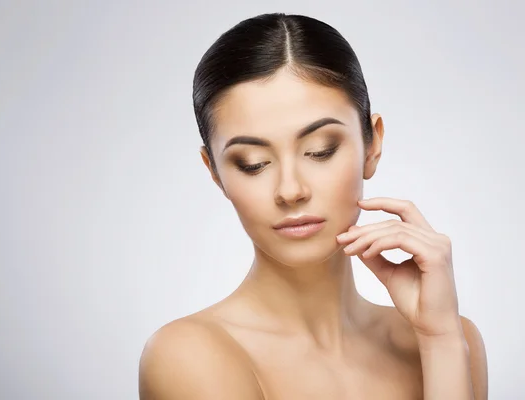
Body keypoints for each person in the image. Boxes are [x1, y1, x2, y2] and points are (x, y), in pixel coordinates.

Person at [138, 12, 488, 399]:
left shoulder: (454, 340)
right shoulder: (188, 356)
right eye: (252, 163)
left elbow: (447, 340)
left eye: (320, 151)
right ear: (216, 172)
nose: (290, 190)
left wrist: (440, 340)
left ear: (372, 145)